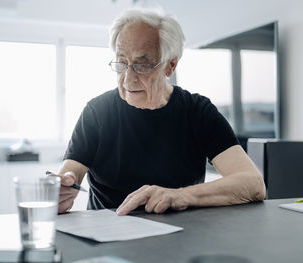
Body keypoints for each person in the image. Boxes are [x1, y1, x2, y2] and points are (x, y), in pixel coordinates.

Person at [55, 8, 266, 216]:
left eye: (142, 65)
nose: (128, 79)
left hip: (181, 237)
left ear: (170, 66)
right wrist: (60, 190)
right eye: (122, 63)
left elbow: (253, 183)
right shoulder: (97, 111)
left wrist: (179, 196)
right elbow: (69, 173)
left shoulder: (198, 112)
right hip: (107, 236)